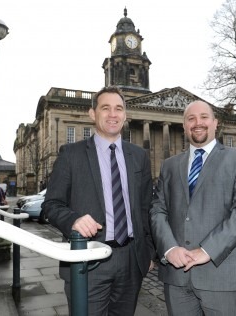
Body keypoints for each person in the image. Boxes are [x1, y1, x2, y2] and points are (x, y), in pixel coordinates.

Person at [43, 86, 155, 315]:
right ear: (92, 113)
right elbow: (51, 205)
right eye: (106, 108)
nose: (113, 114)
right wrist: (73, 220)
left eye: (118, 109)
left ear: (125, 115)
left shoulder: (139, 156)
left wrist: (149, 252)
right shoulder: (70, 154)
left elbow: (146, 208)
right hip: (89, 260)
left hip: (130, 260)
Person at [149, 100, 236, 315]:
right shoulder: (170, 165)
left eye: (203, 117)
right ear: (183, 125)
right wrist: (169, 248)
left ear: (215, 122)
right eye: (191, 118)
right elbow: (158, 210)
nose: (197, 123)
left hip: (224, 275)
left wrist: (208, 249)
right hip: (177, 276)